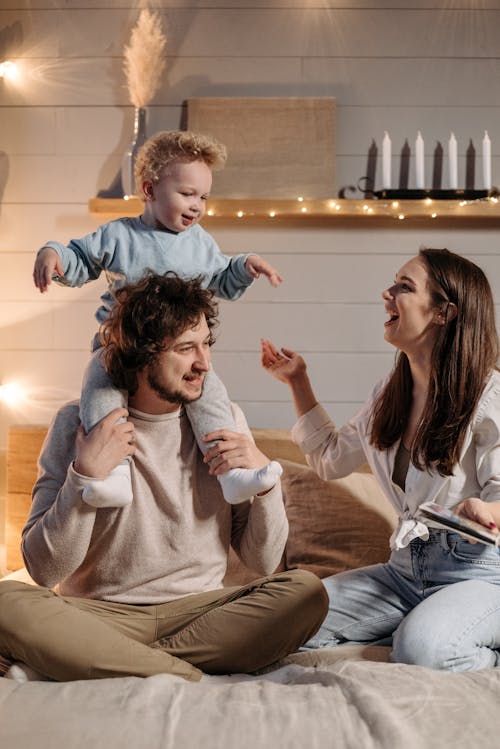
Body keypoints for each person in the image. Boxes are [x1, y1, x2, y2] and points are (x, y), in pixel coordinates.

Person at [0, 273, 327, 683]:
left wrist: (265, 482)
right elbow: (45, 571)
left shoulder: (227, 424)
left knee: (306, 591)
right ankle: (182, 673)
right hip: (100, 615)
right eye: (185, 348)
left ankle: (112, 662)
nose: (204, 364)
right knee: (4, 601)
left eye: (206, 344)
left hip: (202, 612)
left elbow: (262, 564)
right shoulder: (76, 424)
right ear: (142, 356)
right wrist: (84, 478)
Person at [261, 247, 500, 672]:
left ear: (443, 312)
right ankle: (421, 621)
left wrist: (484, 509)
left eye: (404, 287)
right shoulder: (389, 393)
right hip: (403, 572)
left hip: (480, 575)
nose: (386, 294)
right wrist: (298, 382)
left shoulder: (490, 399)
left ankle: (457, 636)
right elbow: (331, 460)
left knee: (422, 651)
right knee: (280, 622)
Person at [32, 129, 283, 508]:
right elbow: (80, 258)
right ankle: (111, 475)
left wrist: (245, 267)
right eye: (187, 193)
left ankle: (231, 474)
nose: (197, 205)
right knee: (99, 392)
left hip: (177, 355)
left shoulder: (200, 243)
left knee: (212, 396)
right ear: (149, 190)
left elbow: (221, 280)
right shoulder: (119, 235)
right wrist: (53, 254)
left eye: (203, 197)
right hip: (121, 347)